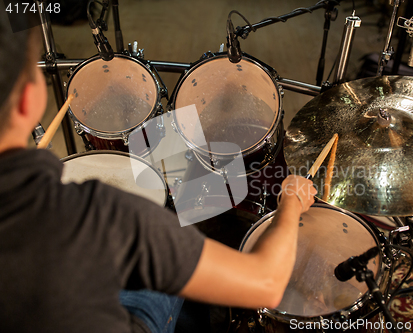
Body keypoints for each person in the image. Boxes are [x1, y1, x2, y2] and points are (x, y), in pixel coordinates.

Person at [0, 12, 317, 333]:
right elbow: (265, 282)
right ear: (30, 99)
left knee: (165, 150)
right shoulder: (104, 216)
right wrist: (290, 202)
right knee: (174, 215)